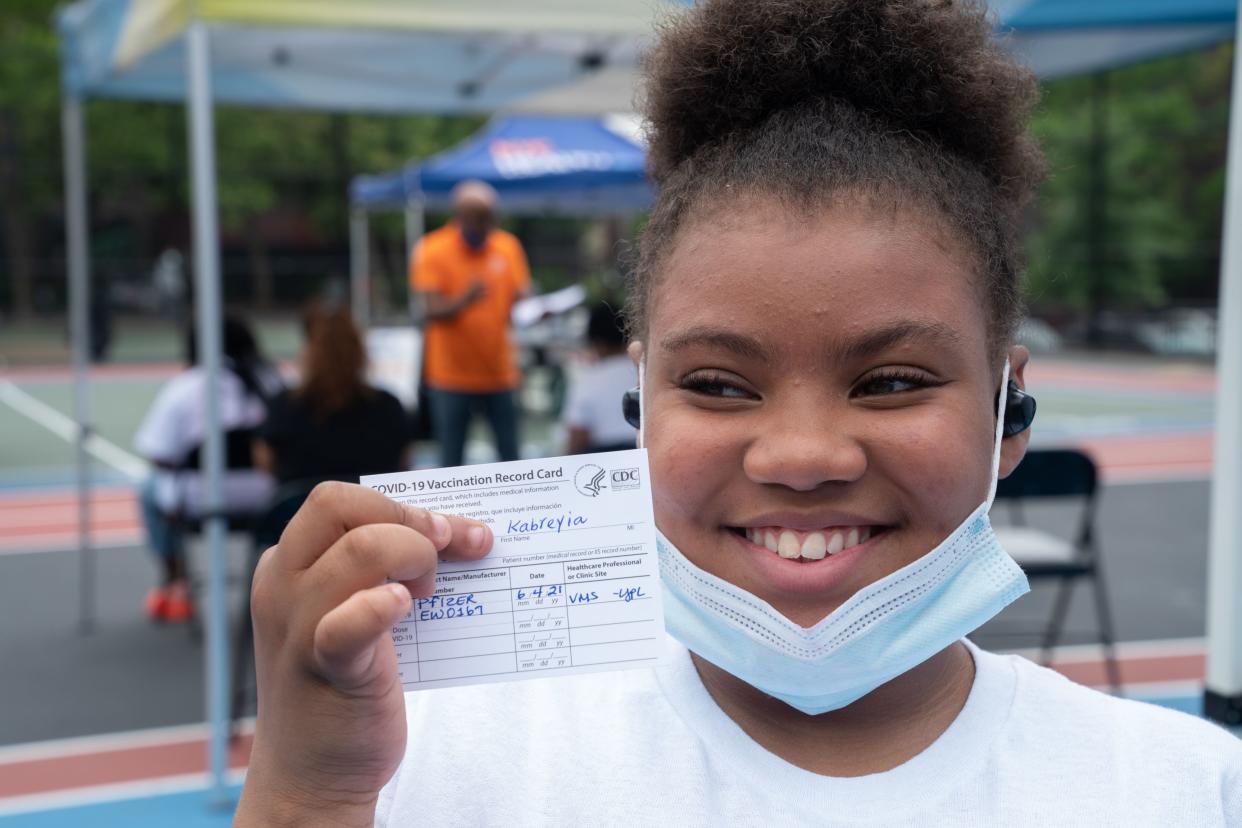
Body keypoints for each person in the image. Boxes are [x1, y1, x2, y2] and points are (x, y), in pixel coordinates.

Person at [236, 1, 1242, 824]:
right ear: (641, 407)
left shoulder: (1184, 793)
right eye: (717, 385)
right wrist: (301, 791)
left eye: (891, 381)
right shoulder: (419, 758)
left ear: (1008, 409)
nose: (802, 456)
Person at [134, 314, 281, 622]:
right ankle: (282, 581)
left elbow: (157, 452)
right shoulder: (272, 382)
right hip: (269, 497)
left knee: (148, 489)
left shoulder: (185, 387)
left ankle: (175, 581)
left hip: (201, 497)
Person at [410, 179, 531, 467]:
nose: (482, 224)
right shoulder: (432, 248)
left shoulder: (507, 246)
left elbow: (521, 299)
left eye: (487, 217)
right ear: (459, 215)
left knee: (511, 458)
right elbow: (428, 309)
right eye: (475, 216)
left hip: (499, 371)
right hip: (451, 375)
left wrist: (538, 309)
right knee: (451, 460)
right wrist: (464, 300)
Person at [255, 304, 411, 486]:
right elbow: (404, 462)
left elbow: (264, 460)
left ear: (309, 350)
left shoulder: (284, 404)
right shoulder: (388, 405)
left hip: (299, 510)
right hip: (370, 511)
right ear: (359, 351)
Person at [562, 302, 638, 453]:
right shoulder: (644, 372)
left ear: (597, 343)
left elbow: (577, 435)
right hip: (645, 454)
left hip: (604, 459)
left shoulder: (588, 380)